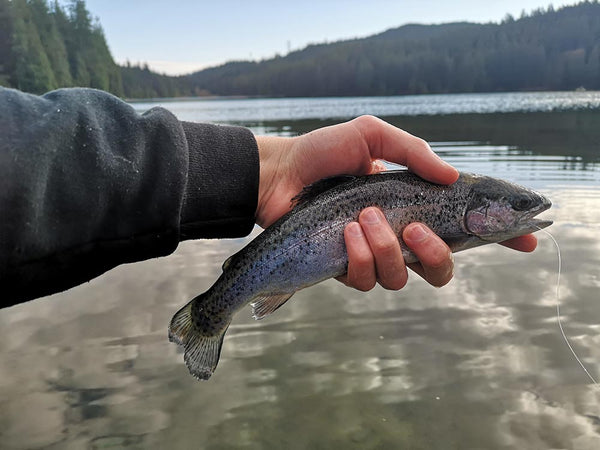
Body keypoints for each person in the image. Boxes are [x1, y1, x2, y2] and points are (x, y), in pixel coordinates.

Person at [0, 87, 536, 308]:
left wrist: (270, 170)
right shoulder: (455, 207)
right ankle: (215, 310)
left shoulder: (459, 208)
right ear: (483, 208)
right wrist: (272, 171)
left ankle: (225, 304)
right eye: (514, 207)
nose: (524, 213)